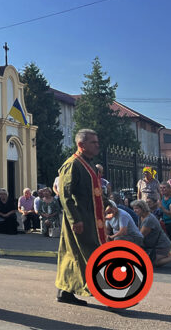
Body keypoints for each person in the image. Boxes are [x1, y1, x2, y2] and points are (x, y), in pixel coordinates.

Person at [55, 129, 107, 306]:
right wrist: (74, 220)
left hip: (91, 220)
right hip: (80, 220)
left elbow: (94, 192)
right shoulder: (72, 164)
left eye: (97, 142)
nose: (97, 145)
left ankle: (65, 291)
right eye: (93, 142)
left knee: (74, 255)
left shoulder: (90, 164)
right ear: (81, 145)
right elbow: (65, 195)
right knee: (91, 255)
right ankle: (108, 295)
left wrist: (110, 205)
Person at [130, 199, 171, 268]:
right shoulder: (141, 217)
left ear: (143, 208)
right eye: (133, 208)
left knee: (154, 263)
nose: (134, 210)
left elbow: (140, 236)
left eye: (136, 208)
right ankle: (166, 255)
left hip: (161, 245)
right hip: (152, 245)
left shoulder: (149, 220)